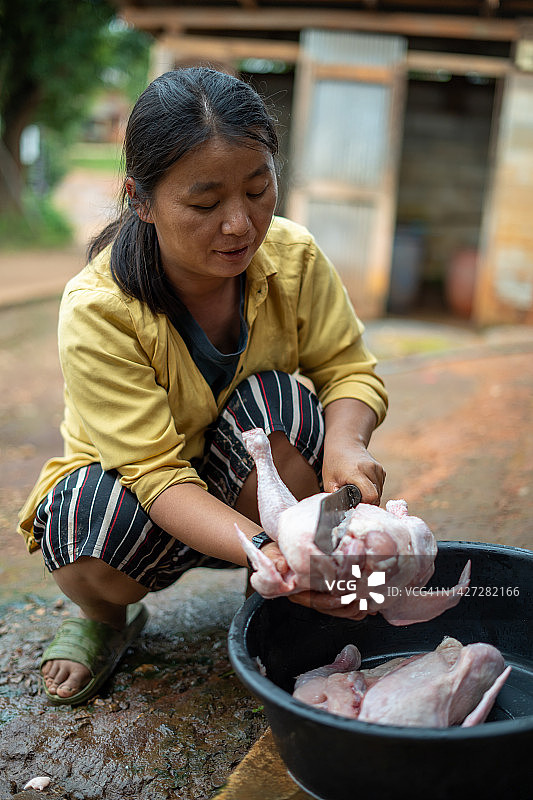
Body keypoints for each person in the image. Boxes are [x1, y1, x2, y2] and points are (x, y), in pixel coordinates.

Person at [18, 67, 388, 706]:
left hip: (253, 500)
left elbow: (347, 369)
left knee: (282, 406)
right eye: (205, 202)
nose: (241, 224)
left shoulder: (293, 258)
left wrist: (349, 447)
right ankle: (108, 620)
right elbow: (156, 474)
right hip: (145, 513)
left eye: (258, 189)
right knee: (81, 523)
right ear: (142, 199)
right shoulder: (99, 308)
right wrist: (272, 548)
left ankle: (276, 605)